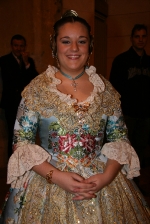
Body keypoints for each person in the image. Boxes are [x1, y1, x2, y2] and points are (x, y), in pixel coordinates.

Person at [0, 11, 150, 223]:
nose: (74, 48)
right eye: (66, 41)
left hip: (102, 181)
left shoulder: (105, 89)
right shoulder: (36, 89)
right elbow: (21, 143)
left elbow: (120, 139)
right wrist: (57, 176)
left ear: (90, 45)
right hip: (48, 180)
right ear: (55, 45)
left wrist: (106, 177)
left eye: (81, 41)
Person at [109, 24, 150, 168]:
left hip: (145, 116)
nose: (140, 40)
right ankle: (125, 185)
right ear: (131, 39)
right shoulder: (121, 61)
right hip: (127, 114)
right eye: (137, 36)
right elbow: (114, 88)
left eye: (144, 36)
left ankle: (136, 185)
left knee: (139, 151)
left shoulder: (149, 62)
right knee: (123, 151)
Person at [0, 34, 38, 158]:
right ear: (12, 46)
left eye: (21, 46)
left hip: (26, 103)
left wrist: (26, 63)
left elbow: (35, 80)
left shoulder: (28, 61)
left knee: (26, 135)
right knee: (13, 134)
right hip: (11, 103)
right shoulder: (4, 61)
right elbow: (12, 79)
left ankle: (24, 162)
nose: (19, 48)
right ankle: (12, 162)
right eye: (16, 46)